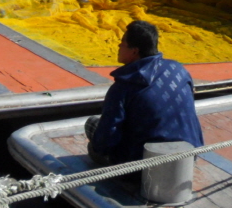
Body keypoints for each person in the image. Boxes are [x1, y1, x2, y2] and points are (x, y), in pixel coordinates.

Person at [85, 20, 203, 165]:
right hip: (189, 155)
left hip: (144, 168)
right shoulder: (178, 69)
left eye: (122, 42)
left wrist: (100, 146)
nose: (119, 45)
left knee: (92, 127)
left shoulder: (123, 87)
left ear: (134, 51)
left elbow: (105, 140)